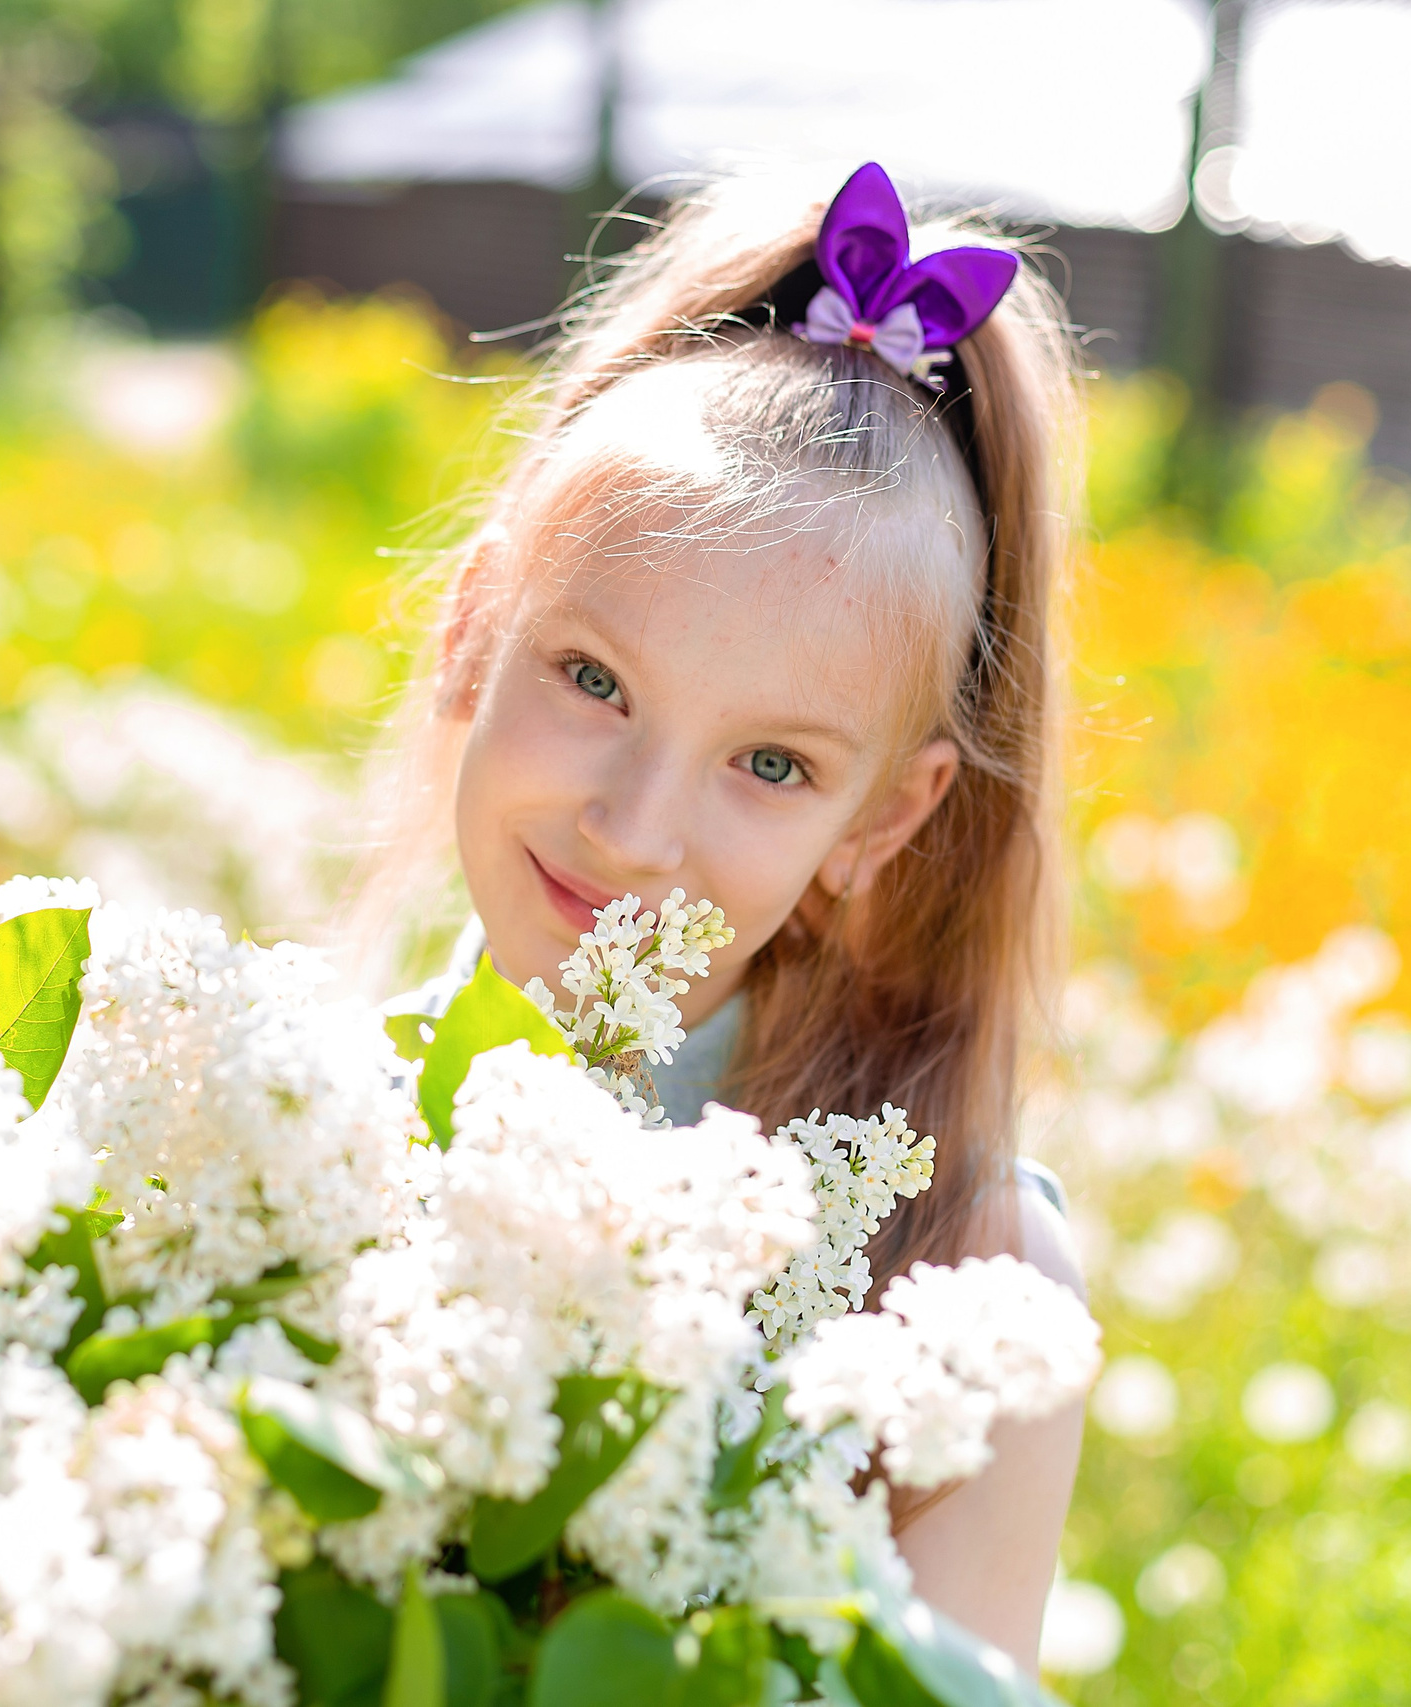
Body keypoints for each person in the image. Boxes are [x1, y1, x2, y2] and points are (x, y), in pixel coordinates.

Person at [357, 161, 1090, 1670]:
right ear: (473, 631)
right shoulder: (295, 1121)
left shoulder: (965, 1272)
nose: (634, 831)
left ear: (881, 820)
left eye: (772, 765)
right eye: (594, 681)